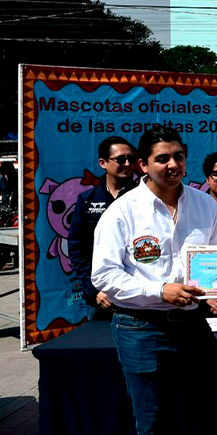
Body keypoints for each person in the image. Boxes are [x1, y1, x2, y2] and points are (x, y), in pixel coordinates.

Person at [91, 125, 217, 435]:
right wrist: (159, 290)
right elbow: (104, 275)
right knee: (154, 424)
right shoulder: (123, 211)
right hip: (141, 328)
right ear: (143, 165)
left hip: (192, 325)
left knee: (210, 407)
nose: (172, 164)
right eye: (162, 159)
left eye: (178, 156)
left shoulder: (205, 205)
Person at [69, 136, 137, 318]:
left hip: (138, 294)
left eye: (131, 158)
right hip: (101, 297)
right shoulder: (87, 199)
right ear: (103, 163)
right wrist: (93, 291)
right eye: (121, 159)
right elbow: (78, 250)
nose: (128, 164)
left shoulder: (144, 197)